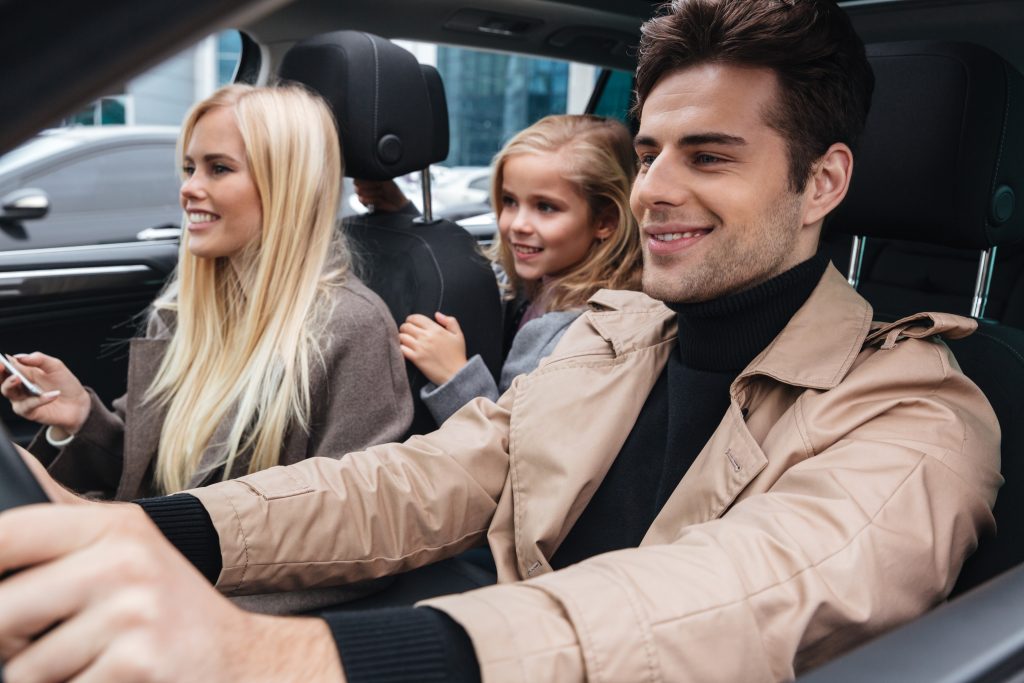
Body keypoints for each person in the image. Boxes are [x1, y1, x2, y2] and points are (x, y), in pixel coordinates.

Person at [0, 1, 1002, 681]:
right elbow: (429, 475)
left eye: (709, 155)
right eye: (648, 151)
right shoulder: (621, 332)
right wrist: (160, 529)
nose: (653, 188)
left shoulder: (918, 413)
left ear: (821, 181)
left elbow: (737, 594)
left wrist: (284, 656)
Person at [0, 84, 412, 500]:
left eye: (218, 168)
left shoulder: (352, 327)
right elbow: (144, 469)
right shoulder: (183, 312)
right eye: (189, 168)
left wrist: (160, 531)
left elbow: (348, 521)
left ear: (285, 184)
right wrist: (80, 417)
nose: (189, 188)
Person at [398, 114, 643, 424]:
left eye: (546, 207)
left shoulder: (583, 338)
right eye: (509, 201)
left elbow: (517, 450)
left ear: (605, 221)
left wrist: (455, 377)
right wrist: (398, 211)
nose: (517, 224)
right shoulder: (539, 282)